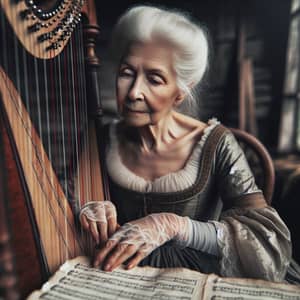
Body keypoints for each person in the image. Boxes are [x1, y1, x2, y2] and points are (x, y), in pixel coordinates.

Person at [79, 5, 294, 282]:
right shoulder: (101, 137)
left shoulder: (216, 144)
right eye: (126, 72)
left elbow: (265, 242)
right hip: (120, 274)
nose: (133, 93)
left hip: (196, 275)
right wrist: (86, 208)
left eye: (154, 79)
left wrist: (174, 225)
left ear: (180, 92)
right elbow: (69, 197)